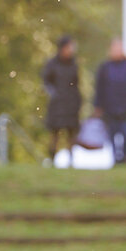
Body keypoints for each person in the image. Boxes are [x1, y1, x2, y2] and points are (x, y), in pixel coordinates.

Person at [93, 38, 126, 166]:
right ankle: (116, 158)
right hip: (110, 108)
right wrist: (98, 105)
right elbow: (99, 88)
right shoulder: (105, 67)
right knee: (113, 134)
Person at [42, 35, 81, 165]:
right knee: (55, 133)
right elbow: (46, 82)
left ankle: (71, 160)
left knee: (71, 133)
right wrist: (54, 94)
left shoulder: (73, 64)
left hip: (71, 104)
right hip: (57, 105)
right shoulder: (52, 64)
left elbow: (76, 83)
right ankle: (52, 159)